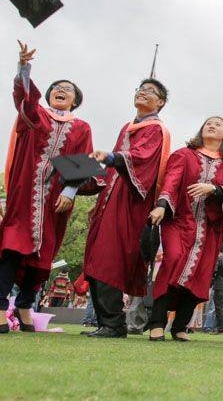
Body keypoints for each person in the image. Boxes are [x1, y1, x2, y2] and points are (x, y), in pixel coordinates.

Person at [0, 42, 93, 333]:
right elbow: (24, 99)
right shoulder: (35, 115)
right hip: (24, 195)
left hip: (55, 201)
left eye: (68, 88)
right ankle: (1, 306)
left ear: (75, 99)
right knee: (11, 248)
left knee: (42, 257)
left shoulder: (82, 127)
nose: (61, 89)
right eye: (56, 87)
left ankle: (26, 304)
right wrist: (24, 67)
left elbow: (82, 163)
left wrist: (69, 192)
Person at [81, 76, 171, 338]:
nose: (142, 93)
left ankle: (113, 323)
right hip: (110, 200)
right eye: (140, 89)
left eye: (150, 91)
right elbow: (113, 168)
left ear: (160, 102)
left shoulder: (156, 129)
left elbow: (141, 159)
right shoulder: (127, 127)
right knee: (96, 257)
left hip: (129, 204)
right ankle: (107, 322)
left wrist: (112, 158)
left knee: (109, 258)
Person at [145, 117, 223, 341]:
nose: (212, 126)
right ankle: (157, 323)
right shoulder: (184, 154)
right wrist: (161, 206)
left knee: (200, 273)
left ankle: (180, 327)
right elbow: (171, 181)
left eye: (218, 125)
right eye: (208, 123)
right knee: (173, 261)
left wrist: (214, 189)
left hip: (210, 229)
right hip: (179, 222)